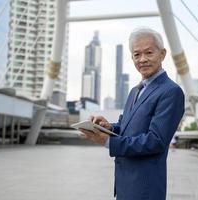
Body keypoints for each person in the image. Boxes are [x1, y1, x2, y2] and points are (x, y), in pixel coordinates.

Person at [79, 28, 185, 200]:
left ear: (162, 54)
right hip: (125, 184)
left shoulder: (171, 91)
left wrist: (108, 141)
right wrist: (107, 127)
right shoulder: (135, 91)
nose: (142, 59)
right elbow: (126, 126)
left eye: (149, 53)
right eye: (137, 55)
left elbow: (155, 141)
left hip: (145, 188)